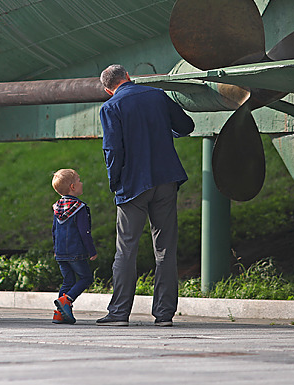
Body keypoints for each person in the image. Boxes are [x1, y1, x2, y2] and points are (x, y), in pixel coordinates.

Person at [96, 64, 195, 327]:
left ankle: (119, 313)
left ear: (108, 89)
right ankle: (164, 315)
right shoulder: (157, 95)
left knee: (126, 249)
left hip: (133, 185)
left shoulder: (110, 107)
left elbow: (113, 150)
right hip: (166, 179)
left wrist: (115, 181)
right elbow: (186, 126)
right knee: (165, 249)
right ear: (128, 77)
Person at [51, 168, 98, 324]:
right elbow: (84, 232)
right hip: (76, 252)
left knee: (68, 281)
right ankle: (67, 300)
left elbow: (54, 231)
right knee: (86, 278)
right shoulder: (80, 208)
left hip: (60, 253)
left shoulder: (57, 207)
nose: (81, 183)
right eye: (79, 180)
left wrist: (56, 251)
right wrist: (91, 251)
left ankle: (59, 314)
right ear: (72, 187)